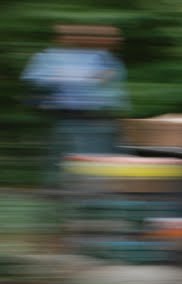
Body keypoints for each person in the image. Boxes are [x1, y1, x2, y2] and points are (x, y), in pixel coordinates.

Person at [21, 24, 128, 186]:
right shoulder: (50, 57)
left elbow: (111, 87)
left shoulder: (107, 58)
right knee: (71, 165)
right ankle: (61, 196)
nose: (115, 41)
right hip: (71, 118)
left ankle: (86, 197)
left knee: (98, 166)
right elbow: (36, 80)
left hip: (102, 120)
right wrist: (83, 78)